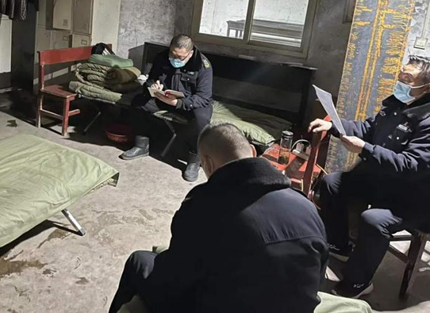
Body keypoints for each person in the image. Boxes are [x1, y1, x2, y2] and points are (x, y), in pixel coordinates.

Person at [110, 122, 328, 313]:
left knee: (140, 261)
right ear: (253, 151)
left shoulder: (202, 208)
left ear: (207, 163)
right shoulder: (305, 207)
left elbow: (173, 282)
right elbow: (317, 274)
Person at [310, 55, 430, 299]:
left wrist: (365, 149)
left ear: (426, 88)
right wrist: (334, 127)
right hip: (383, 181)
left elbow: (411, 165)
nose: (400, 82)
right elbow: (368, 129)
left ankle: (358, 283)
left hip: (414, 196)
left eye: (407, 79)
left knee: (374, 220)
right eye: (400, 75)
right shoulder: (396, 104)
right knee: (332, 183)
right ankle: (339, 245)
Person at [121, 34, 213, 182]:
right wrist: (153, 86)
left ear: (190, 53)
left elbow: (203, 98)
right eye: (172, 54)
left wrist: (178, 103)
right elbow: (150, 80)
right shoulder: (162, 57)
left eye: (180, 57)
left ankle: (194, 161)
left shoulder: (202, 65)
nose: (175, 59)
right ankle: (141, 145)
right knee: (138, 102)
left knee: (201, 119)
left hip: (189, 103)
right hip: (164, 98)